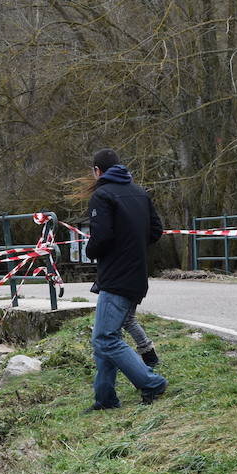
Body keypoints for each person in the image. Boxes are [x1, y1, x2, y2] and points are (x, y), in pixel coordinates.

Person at [84, 148, 168, 409]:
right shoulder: (140, 193)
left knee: (105, 339)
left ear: (98, 171)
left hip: (115, 278)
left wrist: (90, 251)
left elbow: (103, 237)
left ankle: (152, 382)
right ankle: (105, 399)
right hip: (136, 275)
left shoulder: (102, 195)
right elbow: (156, 231)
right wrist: (133, 247)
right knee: (105, 338)